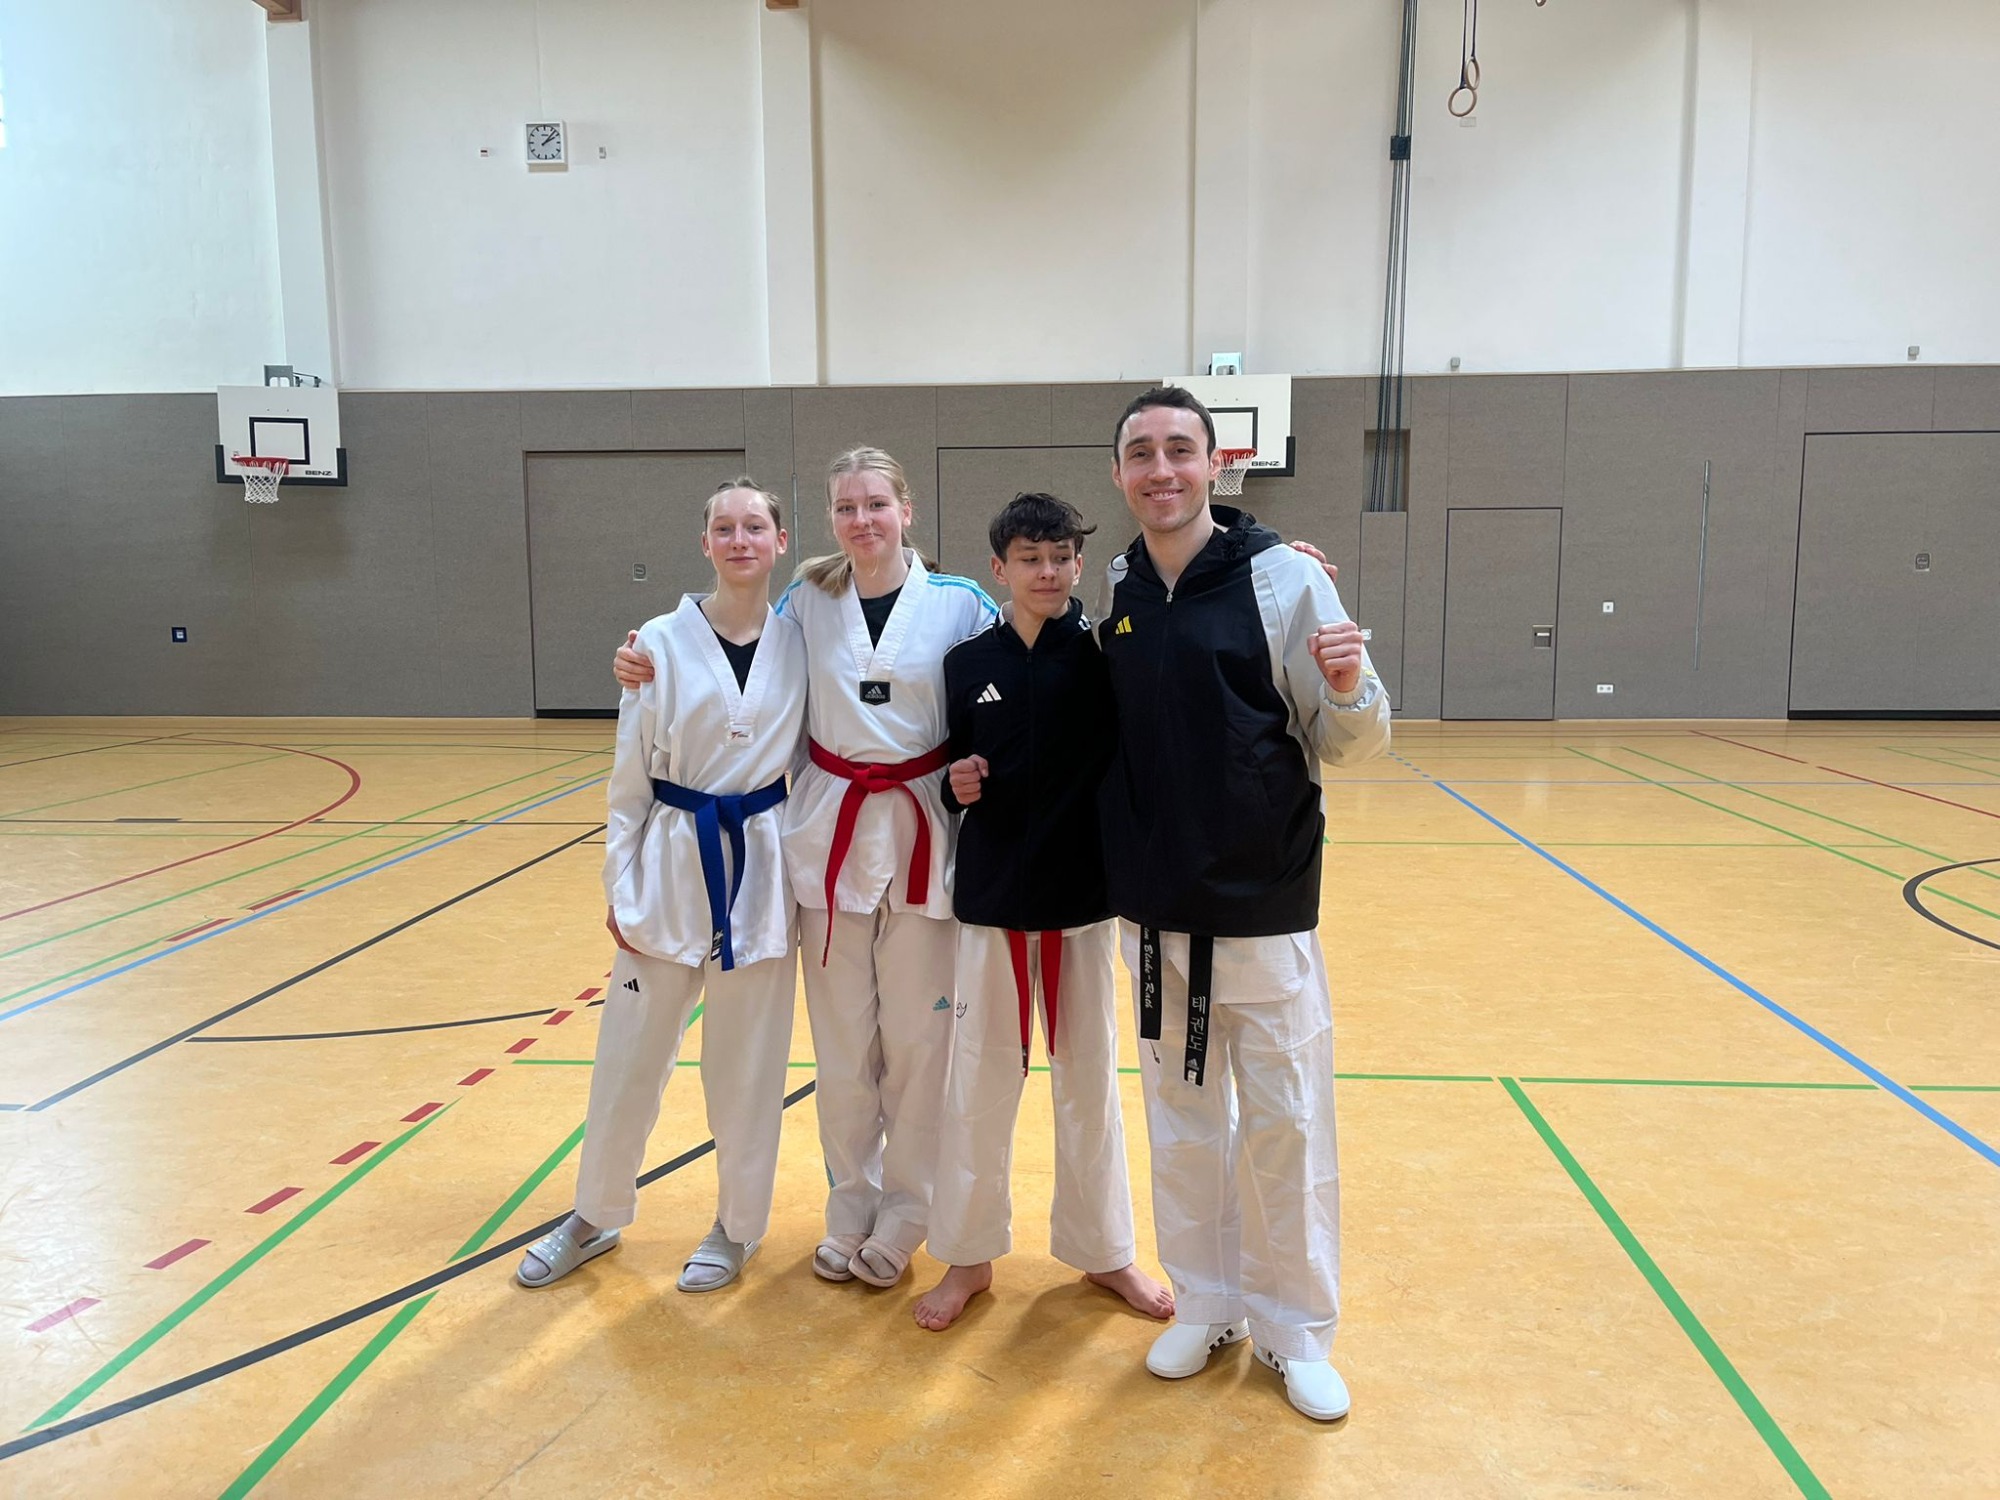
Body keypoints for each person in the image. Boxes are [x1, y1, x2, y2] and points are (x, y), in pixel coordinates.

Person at [617, 447, 996, 1289]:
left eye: (876, 504)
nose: (862, 520)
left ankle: (906, 1216)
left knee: (919, 1046)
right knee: (842, 1050)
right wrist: (644, 655)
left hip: (925, 838)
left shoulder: (961, 604)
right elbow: (731, 648)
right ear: (829, 520)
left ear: (906, 510)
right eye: (846, 508)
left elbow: (1011, 679)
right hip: (827, 844)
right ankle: (849, 1208)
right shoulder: (806, 603)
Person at [1097, 387, 1389, 1422]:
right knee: (1182, 1122)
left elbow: (1348, 740)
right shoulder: (1119, 584)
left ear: (1216, 464)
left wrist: (1347, 686)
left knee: (1285, 1124)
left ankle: (1295, 1330)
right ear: (1121, 473)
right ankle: (1208, 1303)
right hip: (1154, 915)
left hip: (1262, 906)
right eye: (1141, 453)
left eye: (1179, 449)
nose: (1160, 469)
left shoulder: (1284, 577)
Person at [518, 478, 808, 1295]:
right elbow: (628, 777)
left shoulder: (802, 642)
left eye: (755, 526)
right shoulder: (657, 640)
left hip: (762, 869)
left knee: (747, 1066)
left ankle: (737, 1225)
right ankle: (595, 1213)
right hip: (671, 861)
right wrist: (620, 884)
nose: (740, 540)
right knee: (629, 1056)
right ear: (705, 543)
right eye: (725, 528)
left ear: (781, 541)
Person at [912, 493, 1173, 1332]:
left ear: (1079, 564)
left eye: (1061, 557)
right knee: (979, 1083)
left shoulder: (1104, 657)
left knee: (1089, 1083)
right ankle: (968, 1255)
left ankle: (1105, 1251)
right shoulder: (964, 663)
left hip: (1081, 906)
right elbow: (949, 769)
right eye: (1030, 558)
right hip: (992, 903)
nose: (1048, 572)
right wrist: (954, 784)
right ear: (1000, 568)